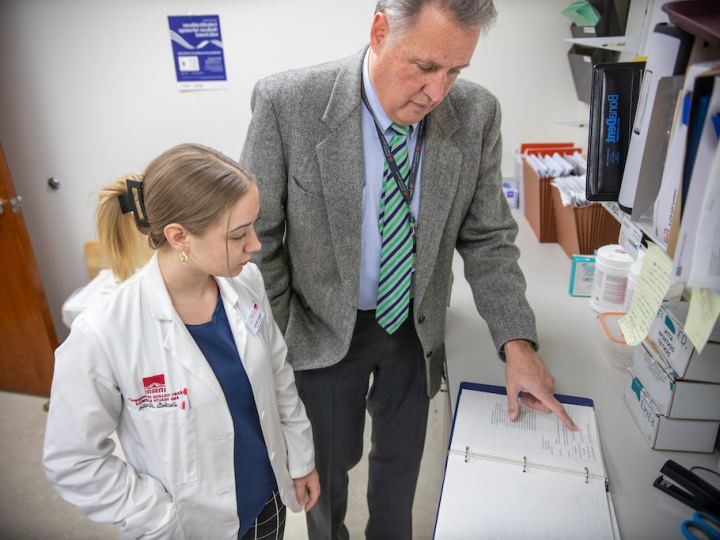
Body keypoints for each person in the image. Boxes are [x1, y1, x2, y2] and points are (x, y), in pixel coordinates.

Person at [240, 1, 578, 539]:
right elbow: (258, 240)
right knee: (325, 476)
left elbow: (488, 237)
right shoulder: (289, 104)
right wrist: (285, 336)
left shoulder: (477, 113)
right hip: (322, 328)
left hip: (413, 330)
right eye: (424, 67)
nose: (438, 93)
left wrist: (518, 343)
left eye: (456, 71)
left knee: (400, 474)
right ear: (379, 32)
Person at [43, 143, 320, 540]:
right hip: (187, 527)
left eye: (253, 227)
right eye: (239, 234)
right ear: (179, 236)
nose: (256, 244)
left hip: (266, 502)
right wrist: (153, 515)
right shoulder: (103, 332)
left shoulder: (246, 284)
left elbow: (278, 377)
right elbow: (72, 459)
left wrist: (300, 459)